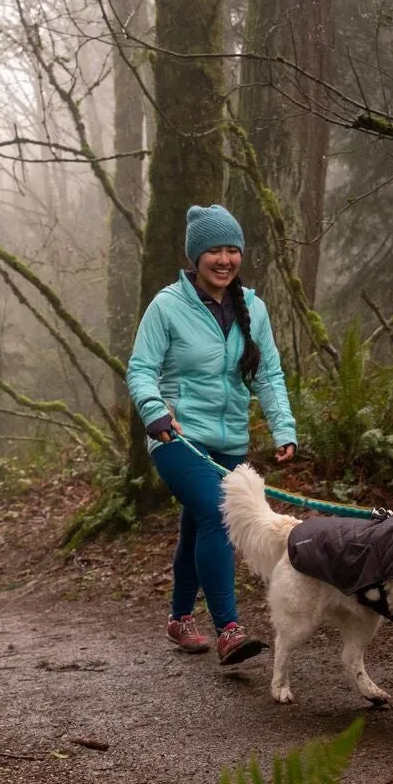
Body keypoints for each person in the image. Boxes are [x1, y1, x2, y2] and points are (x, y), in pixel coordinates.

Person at [127, 204, 297, 665]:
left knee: (197, 523)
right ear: (195, 257)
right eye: (213, 251)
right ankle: (229, 629)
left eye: (232, 250)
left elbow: (269, 375)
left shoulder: (253, 308)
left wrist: (284, 427)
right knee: (218, 517)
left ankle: (180, 618)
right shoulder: (167, 306)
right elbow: (141, 369)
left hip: (229, 443)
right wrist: (154, 412)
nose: (224, 259)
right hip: (176, 437)